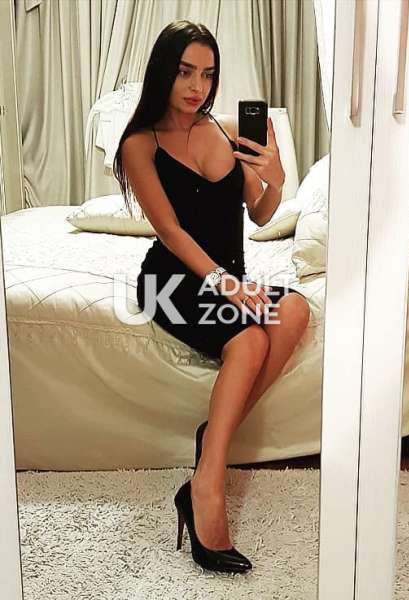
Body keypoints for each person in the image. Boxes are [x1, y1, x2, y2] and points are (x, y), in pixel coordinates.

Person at [113, 19, 310, 574]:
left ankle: (211, 442)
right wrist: (226, 284)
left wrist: (275, 177)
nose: (196, 86)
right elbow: (171, 232)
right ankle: (209, 487)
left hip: (228, 282)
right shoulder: (139, 144)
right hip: (171, 284)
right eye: (185, 72)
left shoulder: (224, 131)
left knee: (295, 308)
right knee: (249, 340)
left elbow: (262, 214)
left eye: (207, 74)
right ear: (163, 72)